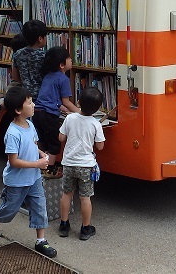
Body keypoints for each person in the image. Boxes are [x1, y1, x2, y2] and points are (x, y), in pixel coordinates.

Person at [0, 86, 57, 258]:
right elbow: (13, 161)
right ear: (17, 110)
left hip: (34, 179)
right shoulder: (12, 133)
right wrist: (37, 164)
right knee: (9, 209)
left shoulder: (30, 124)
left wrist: (42, 154)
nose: (33, 105)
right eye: (29, 103)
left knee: (40, 208)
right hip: (16, 181)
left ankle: (41, 241)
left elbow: (34, 144)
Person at [58, 86, 105, 241]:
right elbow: (100, 146)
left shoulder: (70, 118)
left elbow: (61, 138)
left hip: (69, 163)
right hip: (86, 166)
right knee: (85, 197)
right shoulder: (95, 124)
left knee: (67, 194)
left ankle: (64, 225)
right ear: (98, 108)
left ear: (78, 102)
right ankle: (85, 228)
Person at [33, 46, 80, 178]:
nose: (71, 60)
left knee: (42, 140)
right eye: (69, 58)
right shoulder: (63, 79)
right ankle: (49, 170)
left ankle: (39, 165)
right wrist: (81, 112)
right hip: (49, 115)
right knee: (54, 143)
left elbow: (49, 97)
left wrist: (60, 107)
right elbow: (66, 101)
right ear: (62, 65)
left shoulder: (48, 76)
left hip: (37, 112)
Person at [0, 33, 28, 123]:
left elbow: (14, 76)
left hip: (12, 86)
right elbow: (17, 77)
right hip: (20, 86)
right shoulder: (27, 58)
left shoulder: (15, 57)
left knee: (7, 100)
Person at [12, 20, 48, 101]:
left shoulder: (18, 54)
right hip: (43, 95)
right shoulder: (44, 56)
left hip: (25, 95)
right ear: (40, 39)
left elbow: (15, 76)